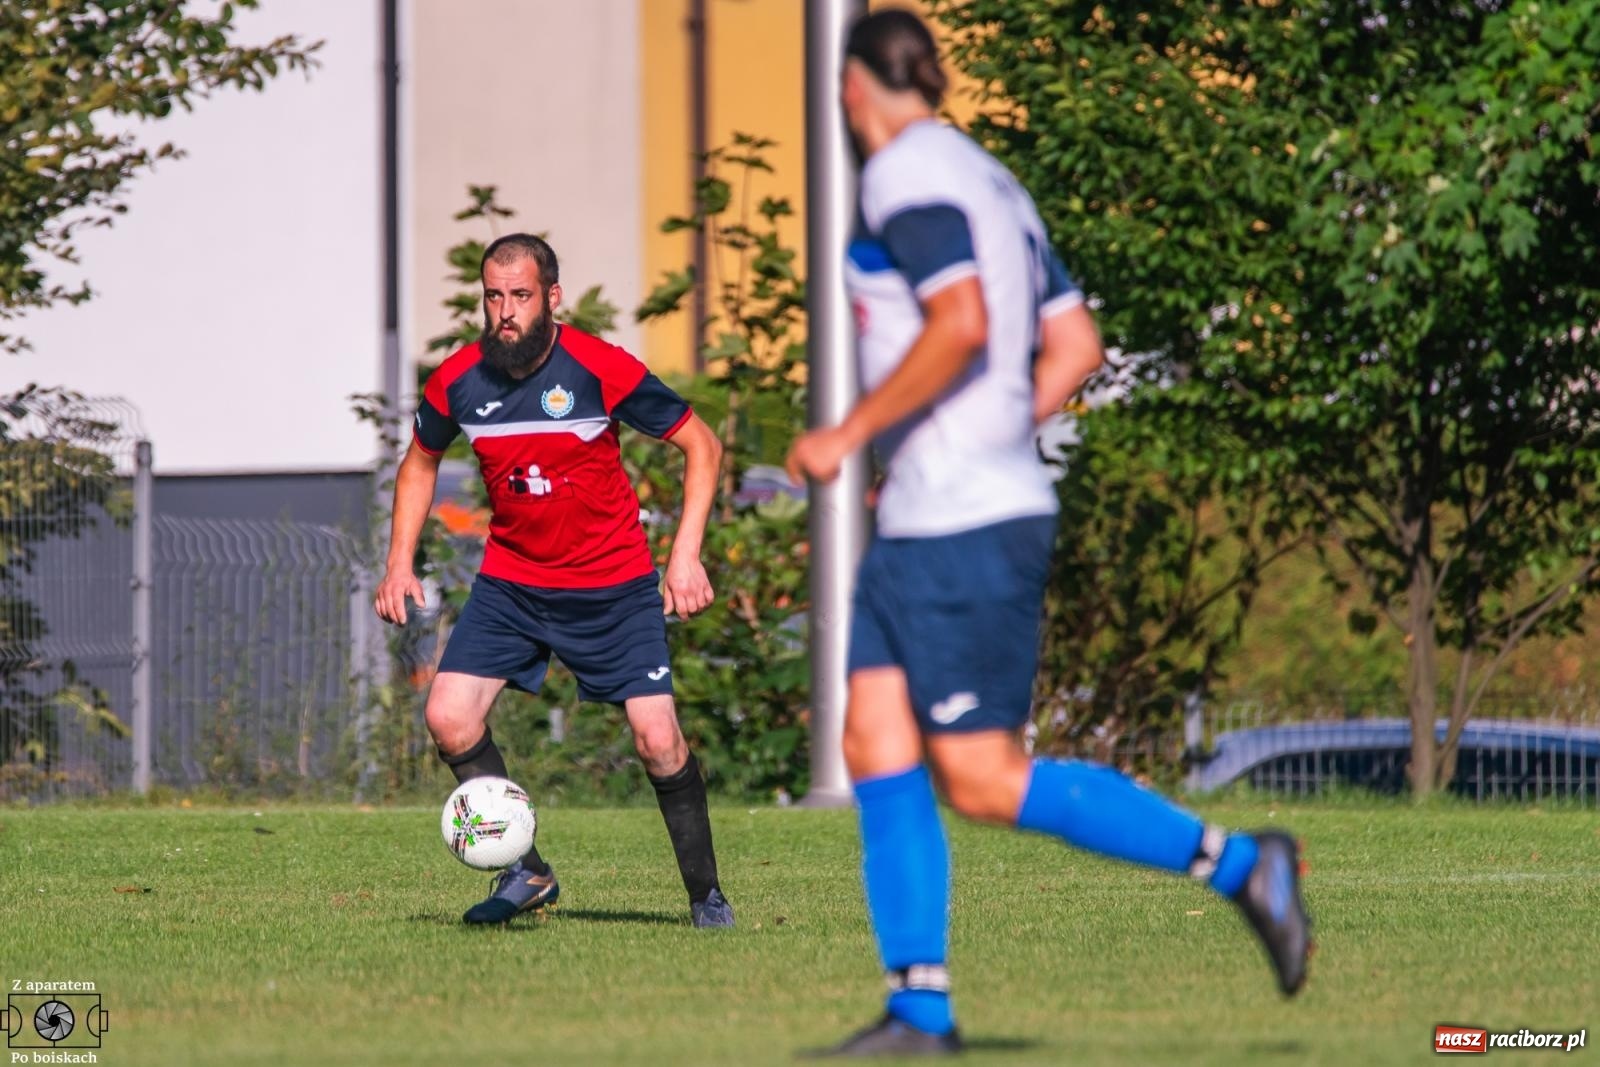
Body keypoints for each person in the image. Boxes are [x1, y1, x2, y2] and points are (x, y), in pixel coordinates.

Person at [785, 9, 1310, 1056]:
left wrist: (852, 429)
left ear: (852, 90)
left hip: (963, 524)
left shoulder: (900, 175)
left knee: (980, 776)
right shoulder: (993, 179)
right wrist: (979, 435)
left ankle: (1243, 862)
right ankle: (918, 1012)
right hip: (942, 508)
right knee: (873, 736)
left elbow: (962, 320)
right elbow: (1072, 344)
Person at [376, 233, 734, 929]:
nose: (505, 312)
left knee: (658, 740)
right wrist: (399, 562)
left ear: (551, 297)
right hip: (513, 583)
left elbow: (702, 443)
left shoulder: (599, 368)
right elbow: (419, 462)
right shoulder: (457, 380)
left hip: (614, 584)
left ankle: (706, 895)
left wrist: (684, 554)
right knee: (448, 716)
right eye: (494, 296)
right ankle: (526, 868)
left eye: (520, 296)